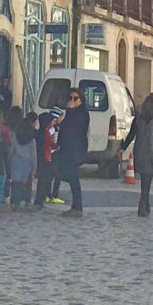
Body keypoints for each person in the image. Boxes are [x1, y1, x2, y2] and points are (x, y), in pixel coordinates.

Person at [123, 92, 153, 217]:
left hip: (140, 153)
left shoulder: (138, 119)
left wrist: (122, 148)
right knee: (147, 182)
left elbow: (131, 135)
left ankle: (145, 205)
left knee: (144, 181)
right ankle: (143, 206)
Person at [54, 87, 91, 216]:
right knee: (67, 174)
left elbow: (72, 128)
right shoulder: (71, 112)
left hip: (76, 149)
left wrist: (64, 119)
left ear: (81, 99)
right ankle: (76, 206)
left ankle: (78, 207)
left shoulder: (82, 113)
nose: (72, 101)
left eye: (75, 98)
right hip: (66, 148)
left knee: (73, 177)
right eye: (70, 98)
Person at [8, 113, 37, 210]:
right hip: (27, 163)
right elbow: (34, 156)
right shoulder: (32, 140)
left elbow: (12, 150)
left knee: (16, 184)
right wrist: (34, 170)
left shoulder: (16, 137)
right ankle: (27, 202)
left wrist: (10, 160)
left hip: (16, 161)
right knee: (27, 184)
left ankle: (15, 203)